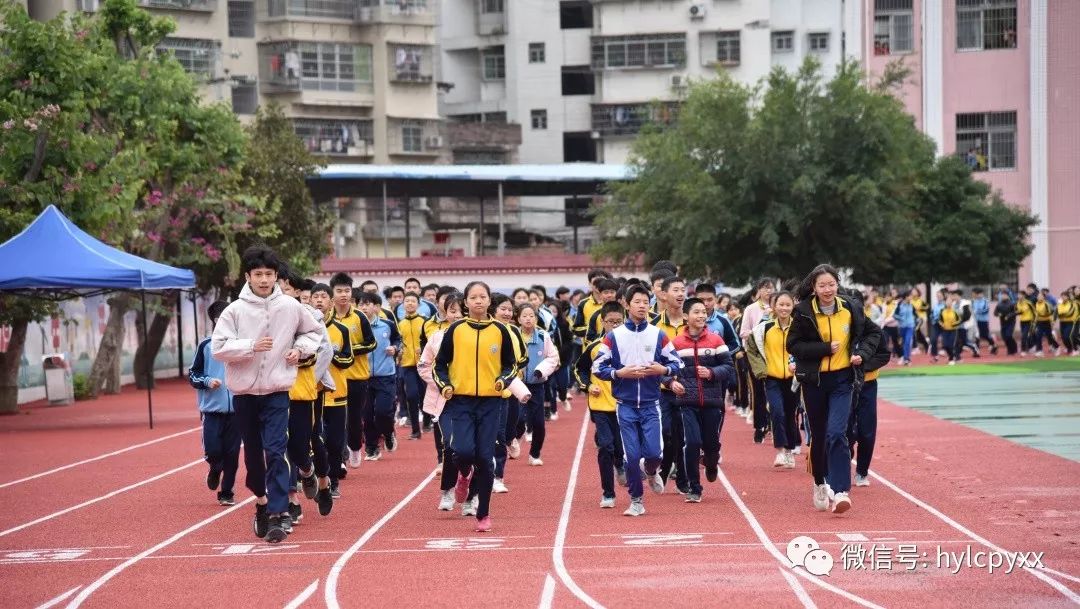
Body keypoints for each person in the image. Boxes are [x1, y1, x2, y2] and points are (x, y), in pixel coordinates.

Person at [212, 245, 324, 543]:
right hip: (245, 394)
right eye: (258, 274)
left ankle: (278, 512)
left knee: (276, 450)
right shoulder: (234, 311)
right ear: (248, 276)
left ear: (276, 276)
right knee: (254, 459)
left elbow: (314, 333)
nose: (264, 280)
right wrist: (250, 346)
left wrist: (299, 350)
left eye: (269, 274)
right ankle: (261, 503)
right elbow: (218, 347)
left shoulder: (289, 306)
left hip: (277, 390)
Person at [787, 264, 881, 515]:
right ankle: (820, 481)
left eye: (831, 284)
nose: (827, 290)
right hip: (814, 382)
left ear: (837, 285)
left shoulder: (851, 307)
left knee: (837, 432)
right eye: (822, 286)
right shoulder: (803, 312)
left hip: (842, 380)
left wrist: (860, 353)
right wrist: (824, 348)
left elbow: (874, 333)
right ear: (813, 288)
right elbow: (793, 345)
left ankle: (840, 491)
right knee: (819, 437)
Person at [434, 281, 518, 532]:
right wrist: (445, 385)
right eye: (474, 297)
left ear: (489, 301)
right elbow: (440, 365)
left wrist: (503, 380)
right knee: (461, 450)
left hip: (491, 403)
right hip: (461, 401)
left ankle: (483, 514)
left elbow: (511, 365)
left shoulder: (501, 331)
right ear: (466, 302)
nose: (479, 301)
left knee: (485, 458)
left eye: (483, 297)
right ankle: (462, 474)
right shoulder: (456, 330)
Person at [593, 285, 683, 517]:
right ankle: (636, 500)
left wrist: (662, 369)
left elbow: (677, 364)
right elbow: (598, 367)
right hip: (625, 406)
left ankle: (652, 472)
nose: (642, 306)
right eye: (637, 302)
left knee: (653, 454)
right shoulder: (613, 337)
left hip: (652, 405)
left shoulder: (658, 335)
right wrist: (619, 373)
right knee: (631, 457)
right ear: (627, 304)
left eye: (645, 302)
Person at [668, 297, 735, 503]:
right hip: (687, 401)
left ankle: (712, 463)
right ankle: (694, 488)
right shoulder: (676, 343)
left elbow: (728, 367)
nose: (701, 316)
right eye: (696, 312)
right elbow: (664, 368)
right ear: (686, 316)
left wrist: (711, 372)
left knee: (711, 443)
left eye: (703, 312)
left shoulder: (716, 340)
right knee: (693, 443)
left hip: (712, 401)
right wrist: (670, 382)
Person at [575, 302, 627, 508]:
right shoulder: (594, 347)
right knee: (606, 446)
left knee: (622, 447)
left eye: (618, 322)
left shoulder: (631, 345)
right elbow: (579, 370)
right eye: (610, 322)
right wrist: (588, 386)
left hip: (626, 404)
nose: (614, 326)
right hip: (601, 405)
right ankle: (608, 493)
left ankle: (621, 464)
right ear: (602, 322)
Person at [189, 301, 240, 507]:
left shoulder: (241, 344)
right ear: (214, 320)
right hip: (212, 410)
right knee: (213, 450)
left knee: (233, 454)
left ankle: (227, 491)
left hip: (238, 410)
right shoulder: (206, 345)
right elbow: (193, 374)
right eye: (219, 318)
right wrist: (208, 381)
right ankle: (214, 468)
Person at [419, 292, 464, 511]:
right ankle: (447, 489)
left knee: (472, 450)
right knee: (450, 445)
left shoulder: (480, 336)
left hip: (474, 399)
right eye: (452, 311)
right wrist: (442, 384)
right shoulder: (436, 337)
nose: (456, 315)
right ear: (445, 313)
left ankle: (471, 489)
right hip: (445, 400)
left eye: (459, 310)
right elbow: (423, 366)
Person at [746, 292, 799, 469]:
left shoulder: (799, 328)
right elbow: (751, 349)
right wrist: (762, 370)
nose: (784, 308)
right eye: (781, 305)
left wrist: (800, 367)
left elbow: (806, 350)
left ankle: (790, 450)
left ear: (793, 307)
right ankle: (781, 451)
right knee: (777, 412)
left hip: (793, 380)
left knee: (791, 415)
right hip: (772, 378)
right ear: (774, 307)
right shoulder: (764, 328)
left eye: (788, 305)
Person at [309, 282, 350, 509]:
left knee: (334, 442)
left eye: (323, 297)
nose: (318, 301)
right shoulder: (304, 328)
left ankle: (333, 480)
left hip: (337, 394)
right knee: (314, 440)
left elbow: (349, 359)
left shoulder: (341, 330)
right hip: (311, 393)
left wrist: (330, 355)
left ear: (330, 302)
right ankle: (315, 477)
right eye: (315, 297)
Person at [652, 276, 689, 493]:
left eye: (683, 290)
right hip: (662, 390)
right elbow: (651, 360)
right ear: (664, 295)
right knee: (666, 433)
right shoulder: (654, 326)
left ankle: (683, 478)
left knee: (684, 436)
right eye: (675, 289)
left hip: (687, 390)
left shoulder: (691, 323)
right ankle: (665, 466)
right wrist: (666, 379)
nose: (680, 294)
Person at [357, 291, 402, 460]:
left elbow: (398, 340)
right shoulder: (356, 327)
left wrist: (395, 348)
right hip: (363, 376)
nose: (364, 307)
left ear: (376, 307)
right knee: (367, 415)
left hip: (386, 375)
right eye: (361, 304)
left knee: (383, 411)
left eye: (368, 304)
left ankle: (388, 433)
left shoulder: (387, 325)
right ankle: (371, 448)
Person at [515, 303, 560, 466]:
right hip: (517, 386)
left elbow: (553, 357)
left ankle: (534, 454)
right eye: (524, 315)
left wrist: (540, 370)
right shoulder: (513, 335)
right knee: (518, 419)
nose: (528, 319)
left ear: (536, 318)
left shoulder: (543, 336)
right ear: (518, 318)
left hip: (537, 385)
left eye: (531, 315)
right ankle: (513, 439)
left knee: (539, 423)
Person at [849, 329, 892, 487]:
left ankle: (862, 471)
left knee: (867, 430)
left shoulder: (874, 331)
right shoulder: (840, 325)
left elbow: (884, 355)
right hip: (844, 384)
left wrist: (863, 364)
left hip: (868, 385)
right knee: (845, 429)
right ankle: (844, 463)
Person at [740, 278, 774, 443]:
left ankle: (773, 424)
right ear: (759, 290)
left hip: (774, 354)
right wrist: (760, 325)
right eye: (765, 288)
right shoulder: (751, 309)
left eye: (771, 288)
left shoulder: (778, 307)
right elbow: (743, 333)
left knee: (774, 391)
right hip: (755, 355)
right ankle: (759, 426)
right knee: (758, 391)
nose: (768, 291)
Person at [398, 292, 428, 440]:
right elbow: (398, 342)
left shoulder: (424, 322)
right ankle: (416, 430)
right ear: (403, 304)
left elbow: (430, 341)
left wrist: (422, 350)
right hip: (408, 365)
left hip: (424, 364)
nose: (410, 303)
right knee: (411, 395)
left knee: (424, 396)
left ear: (418, 304)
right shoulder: (400, 324)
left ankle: (427, 422)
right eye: (407, 301)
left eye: (413, 301)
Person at [1032, 291, 1060, 356]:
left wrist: (1052, 322)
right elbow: (1036, 314)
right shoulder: (1036, 304)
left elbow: (1051, 313)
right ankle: (1039, 351)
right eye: (1038, 296)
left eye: (1040, 296)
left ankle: (1057, 347)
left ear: (1044, 297)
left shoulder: (1047, 304)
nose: (1039, 297)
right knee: (1038, 336)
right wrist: (1034, 322)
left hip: (1046, 322)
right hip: (1039, 322)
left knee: (1049, 336)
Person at [972, 288, 998, 355]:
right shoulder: (974, 301)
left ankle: (994, 345)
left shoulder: (985, 301)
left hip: (983, 321)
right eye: (977, 294)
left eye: (980, 294)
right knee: (976, 335)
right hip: (976, 321)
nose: (978, 295)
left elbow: (986, 310)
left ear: (982, 294)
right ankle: (976, 351)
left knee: (985, 335)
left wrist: (977, 311)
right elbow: (973, 310)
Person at [994, 290, 1019, 355]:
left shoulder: (1012, 303)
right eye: (1002, 295)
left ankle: (1014, 348)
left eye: (1004, 295)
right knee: (1004, 337)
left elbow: (1016, 312)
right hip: (1003, 323)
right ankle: (1010, 349)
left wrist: (1009, 316)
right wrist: (998, 314)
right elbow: (995, 313)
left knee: (1008, 335)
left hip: (1011, 322)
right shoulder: (999, 304)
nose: (1003, 296)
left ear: (1008, 296)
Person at [1059, 291, 1078, 356]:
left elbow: (1070, 313)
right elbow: (1057, 312)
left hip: (1070, 322)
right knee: (1063, 337)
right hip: (1062, 322)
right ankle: (1069, 348)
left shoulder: (1072, 304)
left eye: (1064, 296)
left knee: (1068, 336)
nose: (1063, 297)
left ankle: (1075, 349)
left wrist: (1062, 314)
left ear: (1068, 297)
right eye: (1062, 296)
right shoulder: (1060, 304)